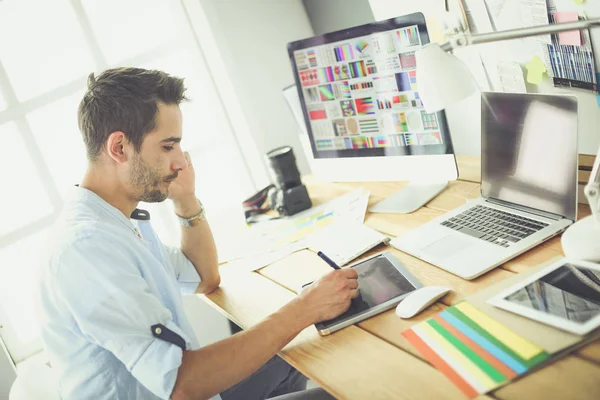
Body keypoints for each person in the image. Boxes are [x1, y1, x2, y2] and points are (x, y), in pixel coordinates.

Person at [36, 67, 359, 400]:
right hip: (184, 389)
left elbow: (204, 278)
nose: (180, 162)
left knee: (296, 352)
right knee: (356, 390)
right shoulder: (88, 247)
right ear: (119, 147)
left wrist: (186, 198)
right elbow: (181, 384)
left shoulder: (116, 222)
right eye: (167, 147)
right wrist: (303, 309)